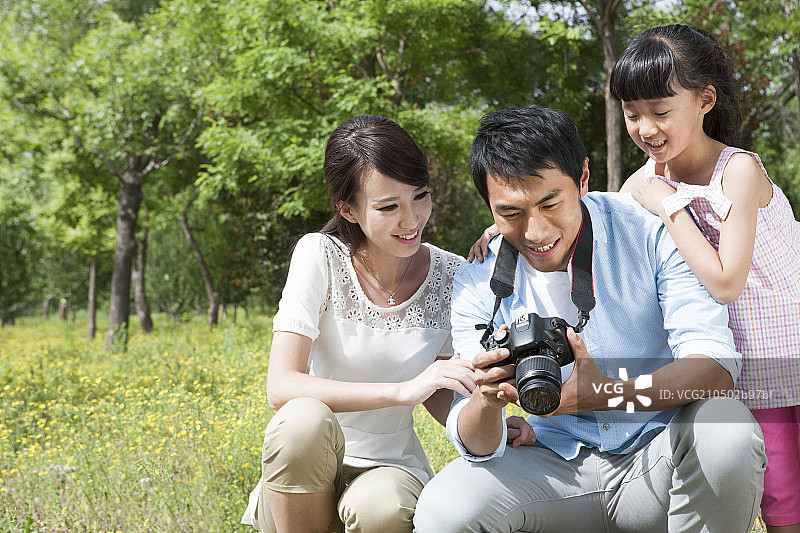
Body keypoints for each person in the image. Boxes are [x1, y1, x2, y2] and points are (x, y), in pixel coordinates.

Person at [412, 104, 766, 533]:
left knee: (724, 428)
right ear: (489, 205)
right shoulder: (477, 282)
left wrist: (606, 394)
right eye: (510, 213)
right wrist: (486, 401)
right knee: (445, 510)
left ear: (582, 177)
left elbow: (714, 369)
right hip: (551, 468)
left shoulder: (649, 233)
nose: (536, 232)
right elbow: (478, 446)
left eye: (549, 202)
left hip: (657, 459)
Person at [240, 114, 474, 533]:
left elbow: (440, 394)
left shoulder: (451, 274)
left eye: (420, 196)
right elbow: (282, 386)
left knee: (380, 509)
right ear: (347, 209)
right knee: (302, 421)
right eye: (388, 207)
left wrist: (486, 418)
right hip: (306, 469)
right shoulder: (320, 256)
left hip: (389, 468)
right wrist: (402, 391)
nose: (412, 219)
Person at [611, 24, 800, 532]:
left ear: (705, 101)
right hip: (726, 360)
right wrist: (503, 226)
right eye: (632, 114)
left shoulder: (736, 171)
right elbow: (590, 224)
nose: (645, 128)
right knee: (756, 488)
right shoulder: (644, 181)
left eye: (660, 111)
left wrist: (669, 206)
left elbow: (725, 282)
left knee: (788, 492)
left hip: (783, 350)